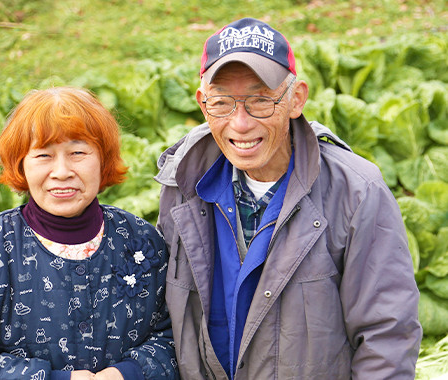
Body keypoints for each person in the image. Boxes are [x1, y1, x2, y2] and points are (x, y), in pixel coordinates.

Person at [155, 17, 422, 379]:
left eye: (261, 101)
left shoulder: (356, 191)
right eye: (222, 103)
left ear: (296, 99)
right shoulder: (181, 181)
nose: (241, 123)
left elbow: (387, 336)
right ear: (203, 104)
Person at [0, 86, 179, 380]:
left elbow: (177, 335)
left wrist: (130, 373)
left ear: (103, 159)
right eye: (44, 155)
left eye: (78, 152)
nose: (62, 171)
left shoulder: (142, 241)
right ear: (20, 164)